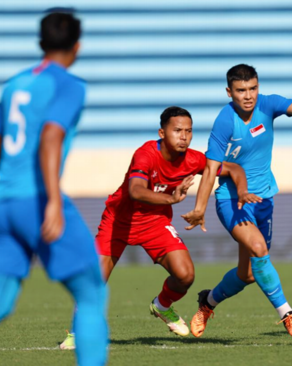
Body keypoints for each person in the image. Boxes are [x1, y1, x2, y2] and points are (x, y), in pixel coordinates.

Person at [0, 12, 108, 366]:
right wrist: (53, 201)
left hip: (0, 203)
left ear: (41, 44)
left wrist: (15, 180)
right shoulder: (70, 85)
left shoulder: (14, 84)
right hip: (38, 199)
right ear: (77, 46)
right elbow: (50, 137)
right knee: (90, 296)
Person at [182, 64, 292, 338]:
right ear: (229, 92)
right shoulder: (224, 120)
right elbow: (210, 169)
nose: (248, 95)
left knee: (248, 275)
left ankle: (207, 303)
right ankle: (288, 316)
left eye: (253, 88)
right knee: (258, 249)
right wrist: (199, 208)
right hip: (232, 200)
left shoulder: (268, 105)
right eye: (241, 90)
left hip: (264, 199)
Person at [59, 106, 258, 349]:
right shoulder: (145, 154)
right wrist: (171, 199)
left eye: (188, 131)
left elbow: (234, 169)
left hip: (154, 223)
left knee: (185, 275)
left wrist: (243, 191)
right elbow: (135, 191)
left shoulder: (193, 159)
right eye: (177, 131)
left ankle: (162, 305)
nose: (184, 136)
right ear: (161, 133)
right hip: (119, 222)